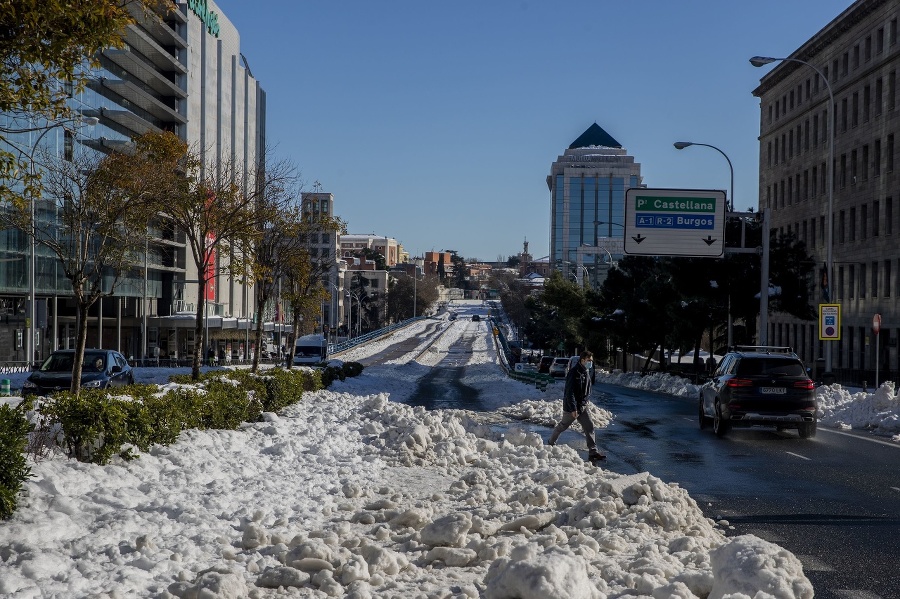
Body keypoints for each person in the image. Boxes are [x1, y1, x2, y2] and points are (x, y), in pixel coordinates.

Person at [547, 350, 605, 460]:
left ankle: (593, 451)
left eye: (591, 361)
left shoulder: (586, 371)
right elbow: (569, 392)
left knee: (589, 426)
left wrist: (585, 402)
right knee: (563, 426)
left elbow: (587, 389)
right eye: (589, 360)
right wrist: (573, 408)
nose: (590, 363)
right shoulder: (574, 372)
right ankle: (550, 443)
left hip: (582, 406)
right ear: (582, 360)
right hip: (571, 407)